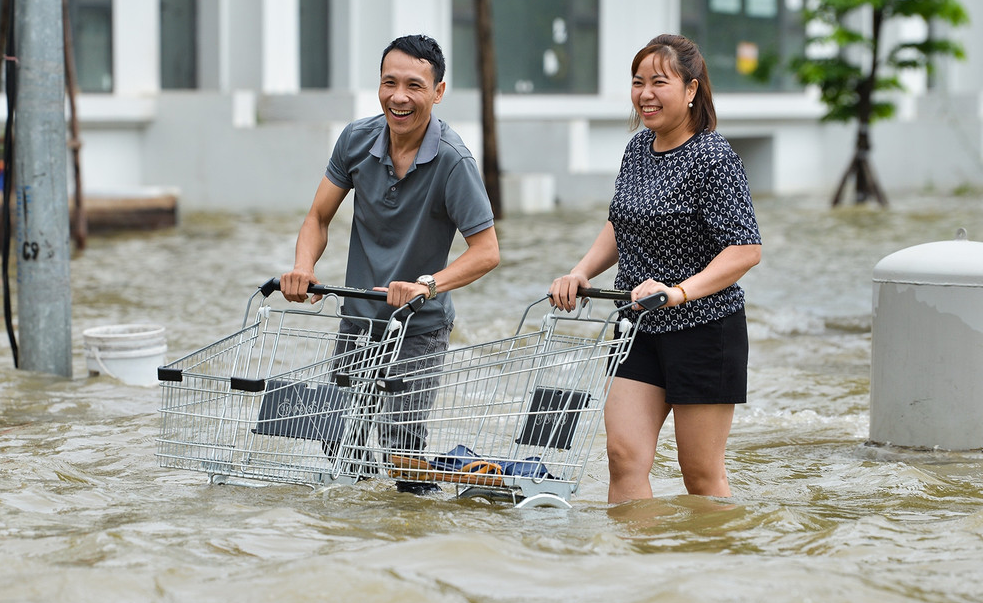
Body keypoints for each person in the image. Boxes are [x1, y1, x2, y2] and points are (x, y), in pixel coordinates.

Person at [280, 33, 500, 495]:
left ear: (438, 92)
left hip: (418, 329)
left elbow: (486, 251)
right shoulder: (356, 140)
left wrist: (427, 285)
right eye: (389, 83)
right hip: (357, 321)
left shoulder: (454, 161)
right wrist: (303, 267)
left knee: (404, 463)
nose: (399, 97)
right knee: (342, 451)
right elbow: (318, 217)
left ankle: (423, 535)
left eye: (415, 86)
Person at [548, 33, 761, 504]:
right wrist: (582, 271)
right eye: (637, 82)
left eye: (659, 82)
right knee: (623, 457)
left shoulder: (714, 157)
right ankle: (634, 569)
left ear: (691, 89)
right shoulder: (638, 151)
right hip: (638, 327)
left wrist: (678, 291)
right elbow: (621, 224)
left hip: (704, 330)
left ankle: (712, 567)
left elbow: (744, 250)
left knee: (700, 476)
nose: (645, 94)